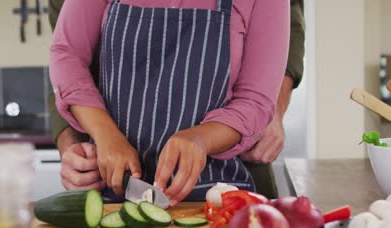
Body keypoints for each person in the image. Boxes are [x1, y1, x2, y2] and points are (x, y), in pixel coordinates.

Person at [48, 0, 291, 204]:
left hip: (215, 200)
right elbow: (67, 54)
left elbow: (255, 101)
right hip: (116, 194)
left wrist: (201, 139)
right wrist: (105, 135)